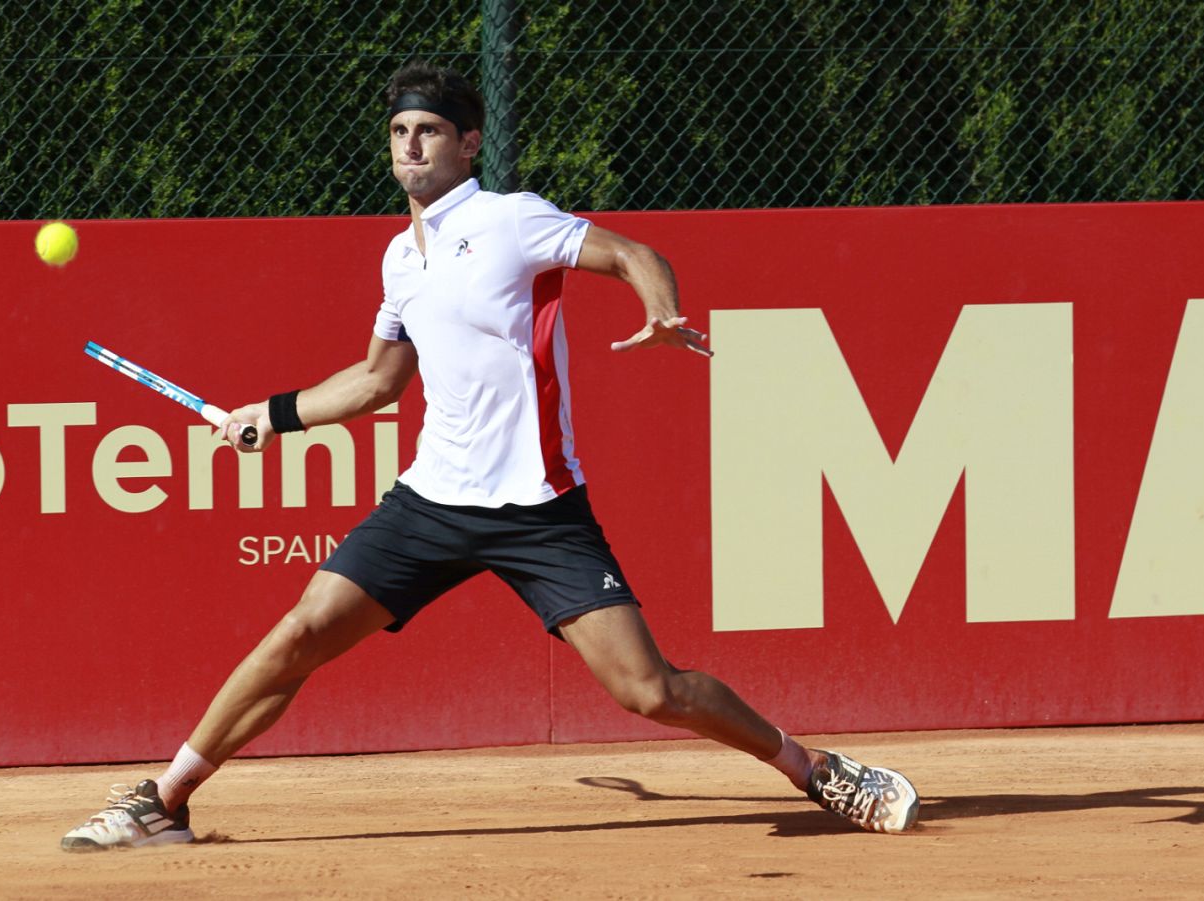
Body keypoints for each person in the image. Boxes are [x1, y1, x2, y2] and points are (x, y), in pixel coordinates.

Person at [61, 61, 918, 851]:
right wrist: (271, 416)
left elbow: (630, 253)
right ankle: (163, 800)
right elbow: (375, 382)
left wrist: (660, 308)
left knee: (648, 689)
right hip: (431, 500)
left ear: (468, 143)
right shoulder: (401, 257)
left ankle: (815, 770)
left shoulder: (512, 220)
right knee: (302, 633)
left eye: (429, 130)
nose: (411, 146)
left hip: (540, 508)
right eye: (400, 132)